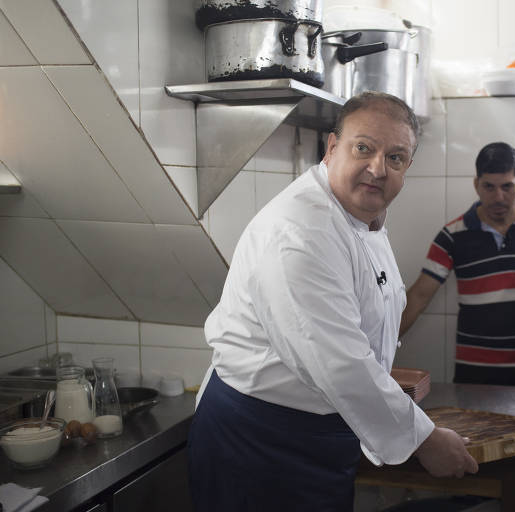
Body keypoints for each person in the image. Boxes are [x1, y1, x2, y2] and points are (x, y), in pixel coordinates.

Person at [187, 92, 478, 511]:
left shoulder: (358, 216)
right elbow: (339, 362)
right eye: (364, 148)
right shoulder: (300, 234)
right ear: (332, 148)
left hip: (312, 434)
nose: (377, 168)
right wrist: (423, 439)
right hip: (260, 442)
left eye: (395, 158)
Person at [400, 142, 515, 386]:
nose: (499, 197)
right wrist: (374, 348)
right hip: (475, 374)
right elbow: (418, 298)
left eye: (507, 186)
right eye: (489, 187)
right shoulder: (452, 236)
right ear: (477, 185)